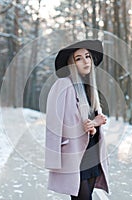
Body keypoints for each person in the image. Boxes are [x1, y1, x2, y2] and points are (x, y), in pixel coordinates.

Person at [45, 40, 109, 200]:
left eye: (87, 56)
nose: (85, 60)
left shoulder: (90, 88)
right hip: (75, 155)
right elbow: (55, 123)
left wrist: (95, 125)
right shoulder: (63, 85)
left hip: (92, 153)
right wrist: (93, 123)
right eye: (78, 58)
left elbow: (90, 124)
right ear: (72, 63)